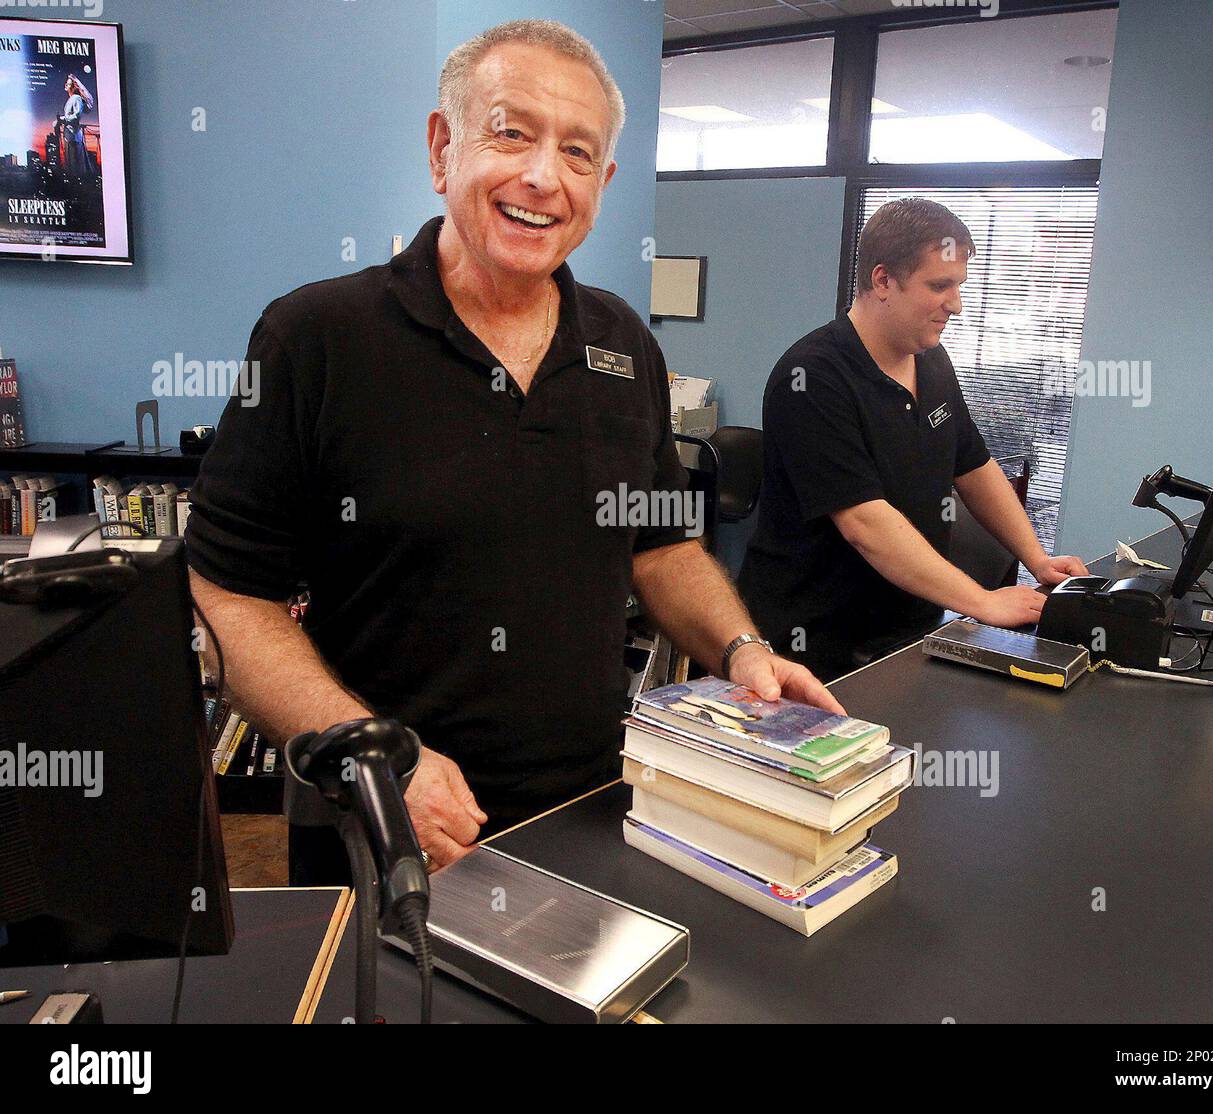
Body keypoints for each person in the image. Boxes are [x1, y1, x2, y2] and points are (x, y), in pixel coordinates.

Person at [185, 20, 841, 881]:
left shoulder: (624, 343)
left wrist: (743, 652)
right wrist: (376, 757)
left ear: (602, 182)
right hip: (383, 823)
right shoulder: (315, 338)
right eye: (511, 132)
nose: (542, 177)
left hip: (590, 810)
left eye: (577, 152)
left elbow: (664, 545)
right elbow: (229, 594)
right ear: (441, 146)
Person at [738, 197, 1089, 682]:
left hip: (907, 631)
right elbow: (866, 522)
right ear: (883, 280)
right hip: (813, 644)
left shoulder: (932, 359)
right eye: (940, 285)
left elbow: (975, 466)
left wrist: (1036, 558)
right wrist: (983, 602)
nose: (957, 304)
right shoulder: (813, 376)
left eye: (959, 286)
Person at [56, 76, 94, 179]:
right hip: (70, 136)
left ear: (73, 87)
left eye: (68, 84)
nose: (66, 85)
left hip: (74, 136)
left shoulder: (76, 98)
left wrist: (62, 119)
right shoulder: (71, 99)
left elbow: (77, 115)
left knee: (75, 164)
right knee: (71, 164)